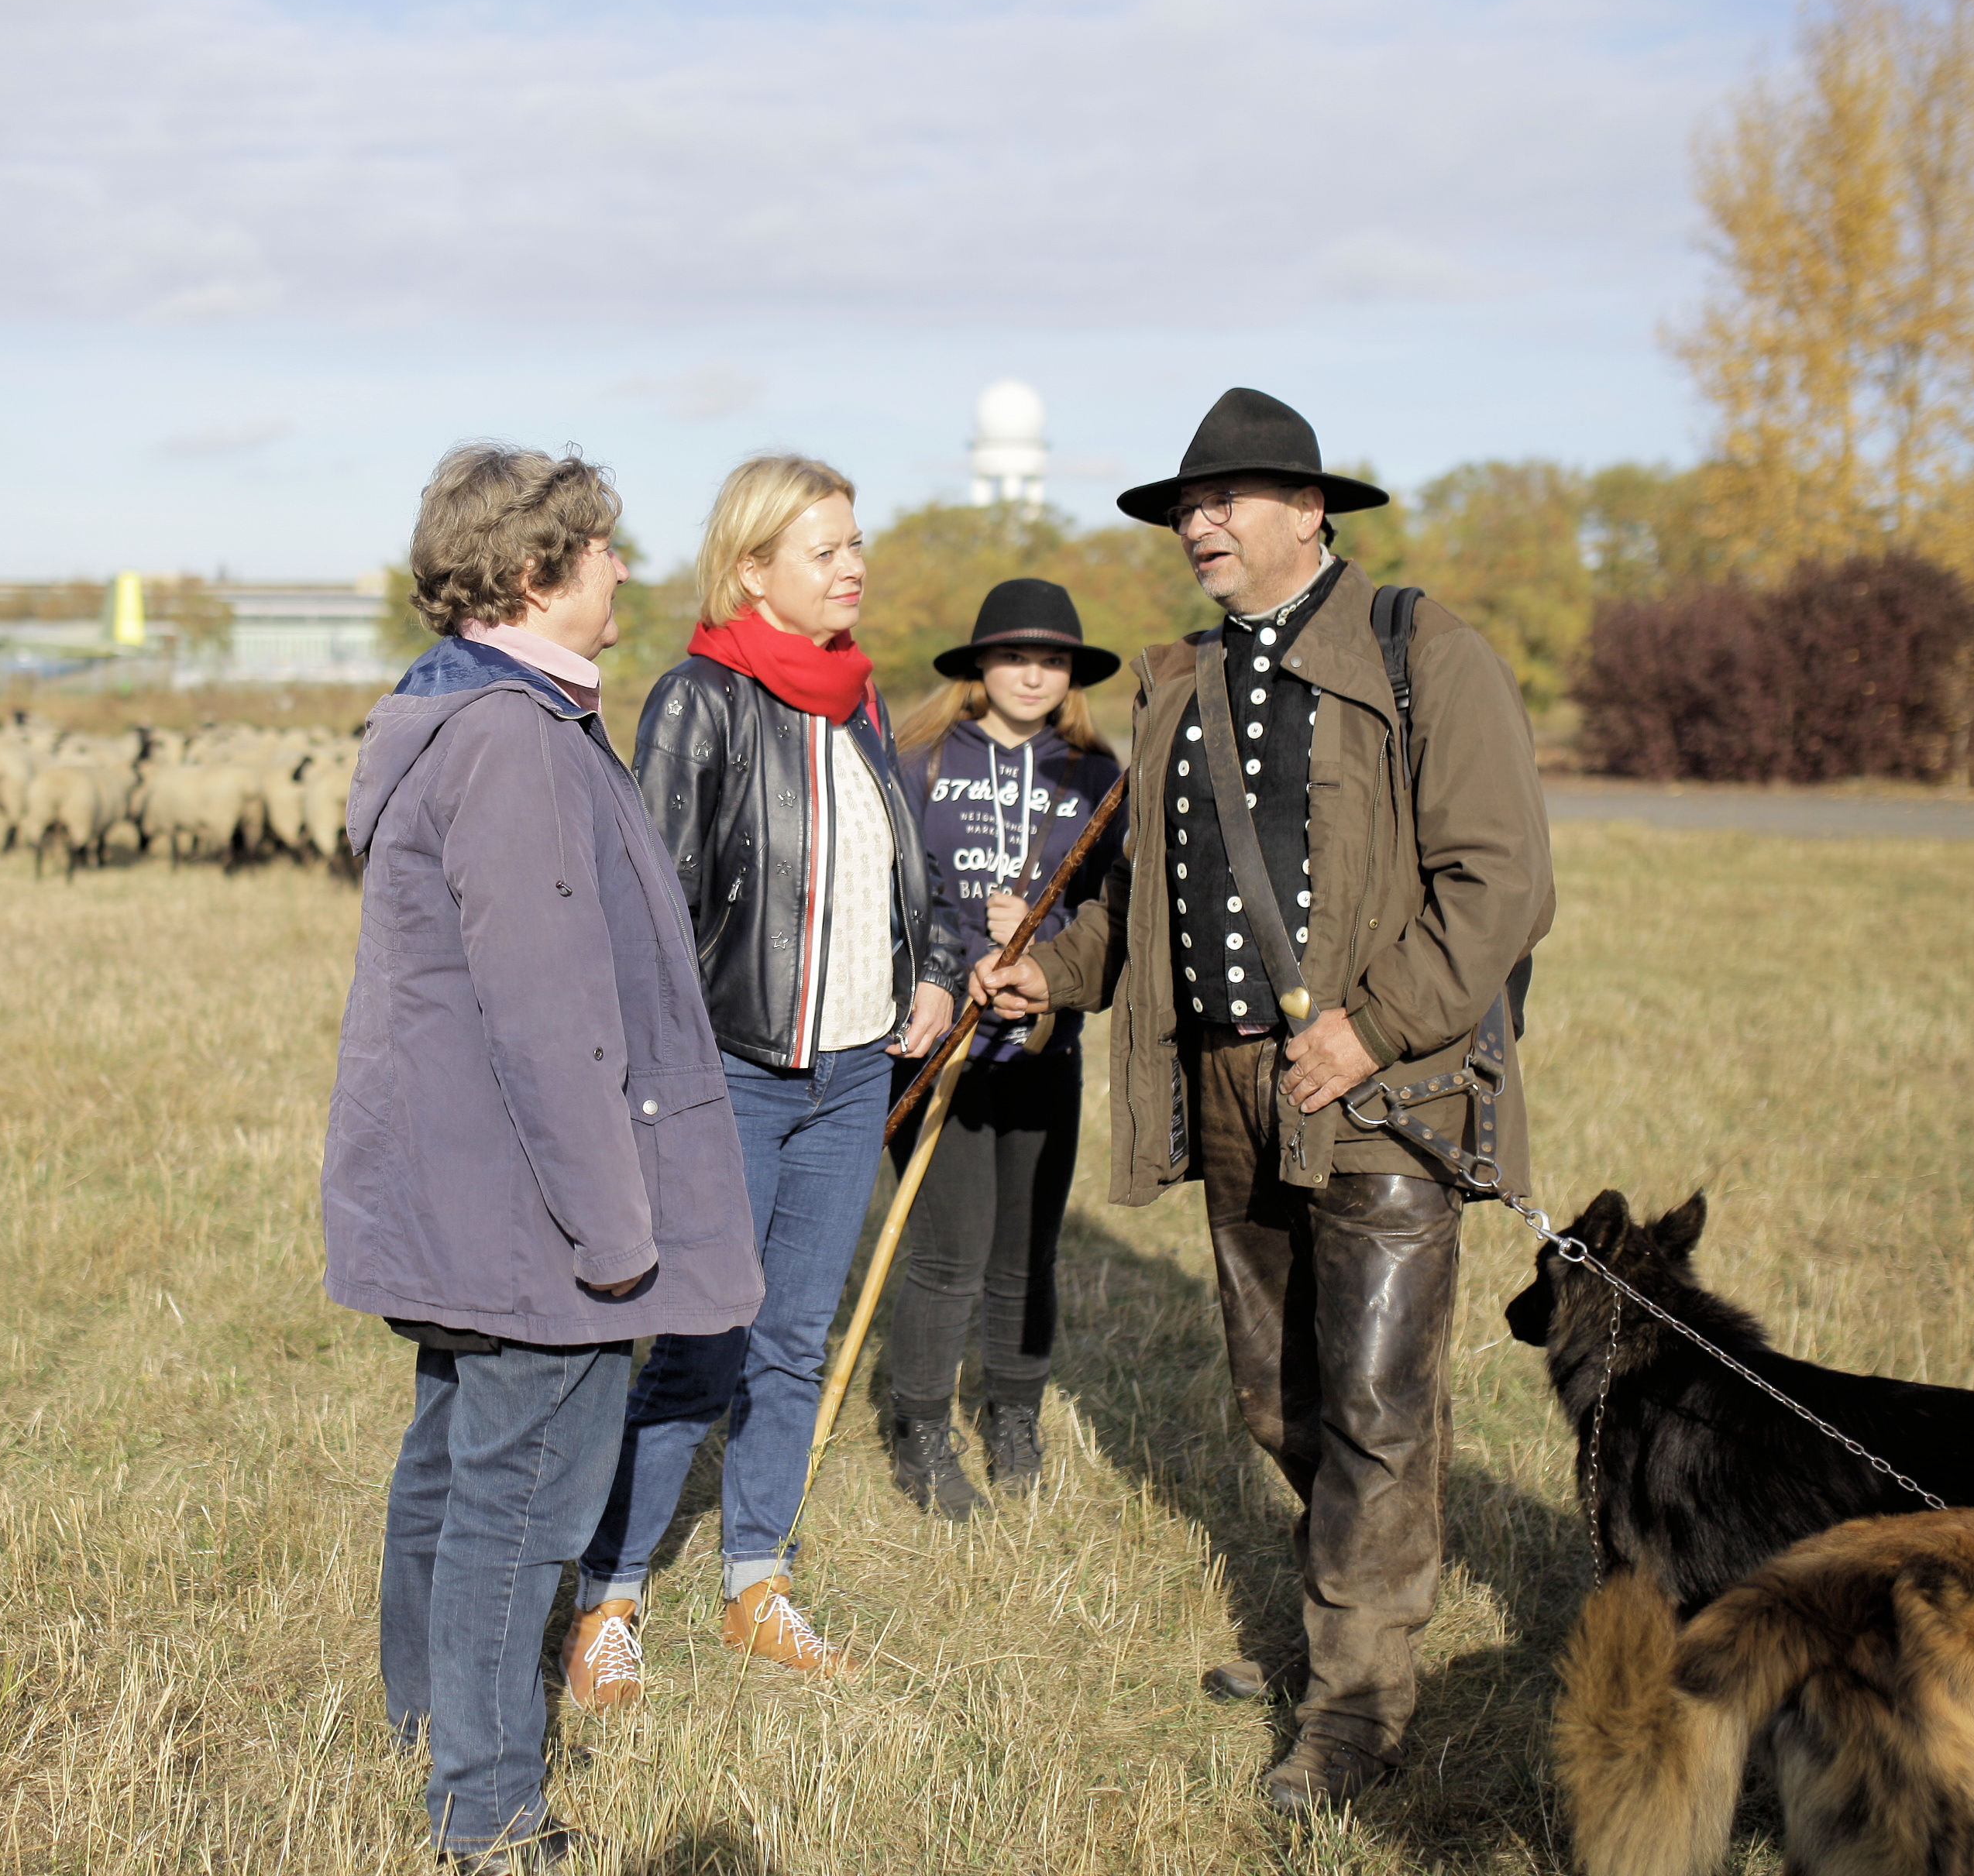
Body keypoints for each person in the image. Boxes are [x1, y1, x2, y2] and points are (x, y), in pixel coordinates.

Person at [972, 387, 1553, 1814]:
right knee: (1274, 1394)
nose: (1200, 523)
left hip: (1383, 1083)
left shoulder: (1427, 652)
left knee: (1372, 1399)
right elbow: (1147, 909)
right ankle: (1342, 1626)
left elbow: (1503, 882)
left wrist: (1374, 1030)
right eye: (1186, 504)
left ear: (1312, 513)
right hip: (1229, 1088)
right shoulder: (1184, 682)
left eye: (1229, 500)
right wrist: (1049, 974)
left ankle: (1357, 1709)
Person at [323, 443, 762, 1871]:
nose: (625, 569)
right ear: (533, 573)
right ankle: (489, 1808)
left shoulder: (462, 712)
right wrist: (615, 1232)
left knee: (453, 1464)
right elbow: (552, 1012)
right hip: (528, 1214)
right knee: (521, 1497)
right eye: (603, 549)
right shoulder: (513, 738)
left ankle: (426, 1734)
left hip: (464, 1196)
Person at [562, 453, 961, 1707]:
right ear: (753, 568)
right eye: (826, 548)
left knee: (794, 1340)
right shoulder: (699, 700)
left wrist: (936, 972)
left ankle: (754, 1577)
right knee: (699, 1341)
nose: (854, 566)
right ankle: (610, 1592)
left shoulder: (861, 702)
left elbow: (908, 867)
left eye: (856, 544)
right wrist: (658, 1090)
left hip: (852, 1078)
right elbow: (658, 906)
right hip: (733, 1077)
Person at [878, 579, 1123, 1519]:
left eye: (1053, 658)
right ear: (978, 665)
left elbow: (1113, 912)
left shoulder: (1100, 778)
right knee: (949, 1251)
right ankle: (922, 1430)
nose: (1033, 671)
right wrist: (945, 969)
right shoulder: (920, 760)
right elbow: (899, 895)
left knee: (1028, 1248)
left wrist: (1046, 939)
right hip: (940, 1046)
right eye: (1016, 654)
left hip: (1043, 1047)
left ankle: (1014, 1415)